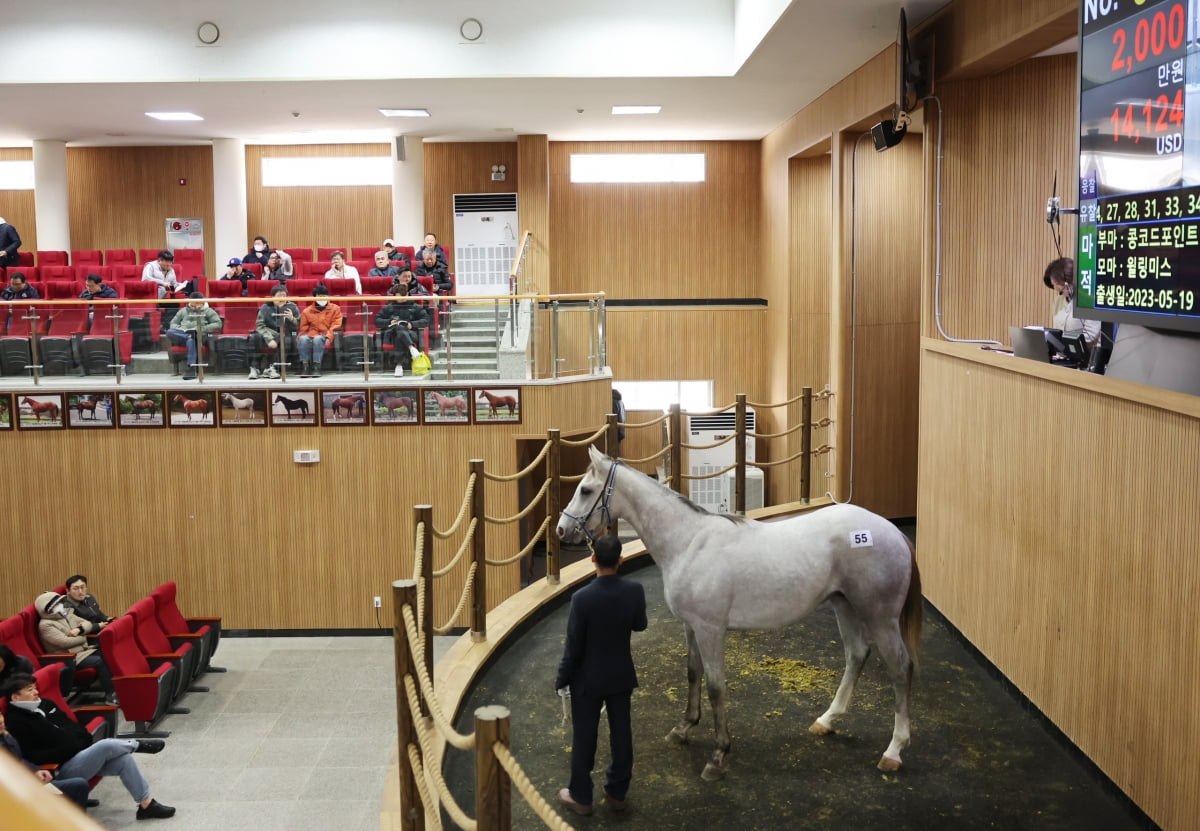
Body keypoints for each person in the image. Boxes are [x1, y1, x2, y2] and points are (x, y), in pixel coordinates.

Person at [555, 535, 647, 816]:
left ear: (592, 558)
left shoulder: (581, 598)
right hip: (620, 675)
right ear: (621, 560)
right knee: (622, 734)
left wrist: (562, 678)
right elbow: (640, 625)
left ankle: (581, 797)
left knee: (584, 737)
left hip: (587, 679)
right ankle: (617, 792)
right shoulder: (635, 591)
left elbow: (573, 646)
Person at [3, 674, 175, 820]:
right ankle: (137, 745)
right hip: (59, 769)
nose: (36, 692)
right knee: (106, 745)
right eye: (29, 690)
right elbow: (33, 755)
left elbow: (75, 728)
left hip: (79, 755)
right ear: (15, 697)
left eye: (35, 687)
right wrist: (71, 746)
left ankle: (146, 805)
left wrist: (76, 743)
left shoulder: (45, 704)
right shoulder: (16, 721)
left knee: (123, 759)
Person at [0, 707, 92, 811]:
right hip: (16, 792)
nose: (0, 720)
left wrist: (36, 770)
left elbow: (20, 760)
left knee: (80, 785)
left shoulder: (6, 735)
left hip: (30, 782)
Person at [34, 591, 117, 703]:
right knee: (99, 661)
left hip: (83, 651)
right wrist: (83, 638)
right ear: (48, 608)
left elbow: (87, 623)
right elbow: (65, 642)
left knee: (108, 652)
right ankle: (110, 695)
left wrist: (80, 630)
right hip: (68, 657)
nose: (60, 605)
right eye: (56, 604)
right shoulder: (46, 625)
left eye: (60, 603)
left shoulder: (66, 615)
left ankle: (118, 690)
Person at [1043, 257, 1101, 350]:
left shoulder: (1089, 300)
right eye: (1054, 285)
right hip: (1062, 356)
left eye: (1058, 284)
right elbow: (1058, 330)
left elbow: (1091, 335)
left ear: (1070, 281)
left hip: (1087, 357)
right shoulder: (1058, 301)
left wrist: (1064, 342)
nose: (1056, 288)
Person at [167, 292, 223, 380]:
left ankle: (191, 368)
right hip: (183, 334)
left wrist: (201, 329)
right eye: (192, 305)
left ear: (202, 303)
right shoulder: (183, 311)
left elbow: (218, 324)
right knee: (170, 332)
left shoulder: (208, 311)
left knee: (191, 341)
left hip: (200, 335)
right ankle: (189, 336)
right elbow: (173, 323)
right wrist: (181, 329)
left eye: (197, 305)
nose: (194, 307)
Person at [375, 283, 429, 373]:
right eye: (398, 297)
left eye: (403, 296)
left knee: (399, 333)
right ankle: (411, 348)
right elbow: (377, 320)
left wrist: (412, 324)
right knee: (398, 329)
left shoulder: (415, 307)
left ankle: (399, 365)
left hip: (411, 334)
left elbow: (426, 320)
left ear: (407, 294)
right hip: (391, 335)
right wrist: (389, 322)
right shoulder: (389, 307)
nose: (401, 299)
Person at [251, 284, 299, 380]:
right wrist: (269, 339)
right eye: (279, 296)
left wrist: (292, 318)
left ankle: (273, 368)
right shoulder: (264, 308)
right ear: (272, 297)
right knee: (254, 338)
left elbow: (298, 325)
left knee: (287, 340)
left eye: (284, 296)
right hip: (268, 333)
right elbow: (260, 326)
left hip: (286, 334)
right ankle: (254, 368)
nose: (282, 298)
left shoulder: (293, 307)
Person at [297, 285, 342, 378]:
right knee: (303, 339)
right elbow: (303, 327)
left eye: (324, 296)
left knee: (317, 339)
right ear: (315, 297)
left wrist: (329, 336)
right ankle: (305, 366)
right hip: (311, 333)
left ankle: (316, 367)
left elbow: (336, 325)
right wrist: (300, 337)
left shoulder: (335, 309)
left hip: (325, 334)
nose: (322, 298)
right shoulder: (307, 311)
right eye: (319, 296)